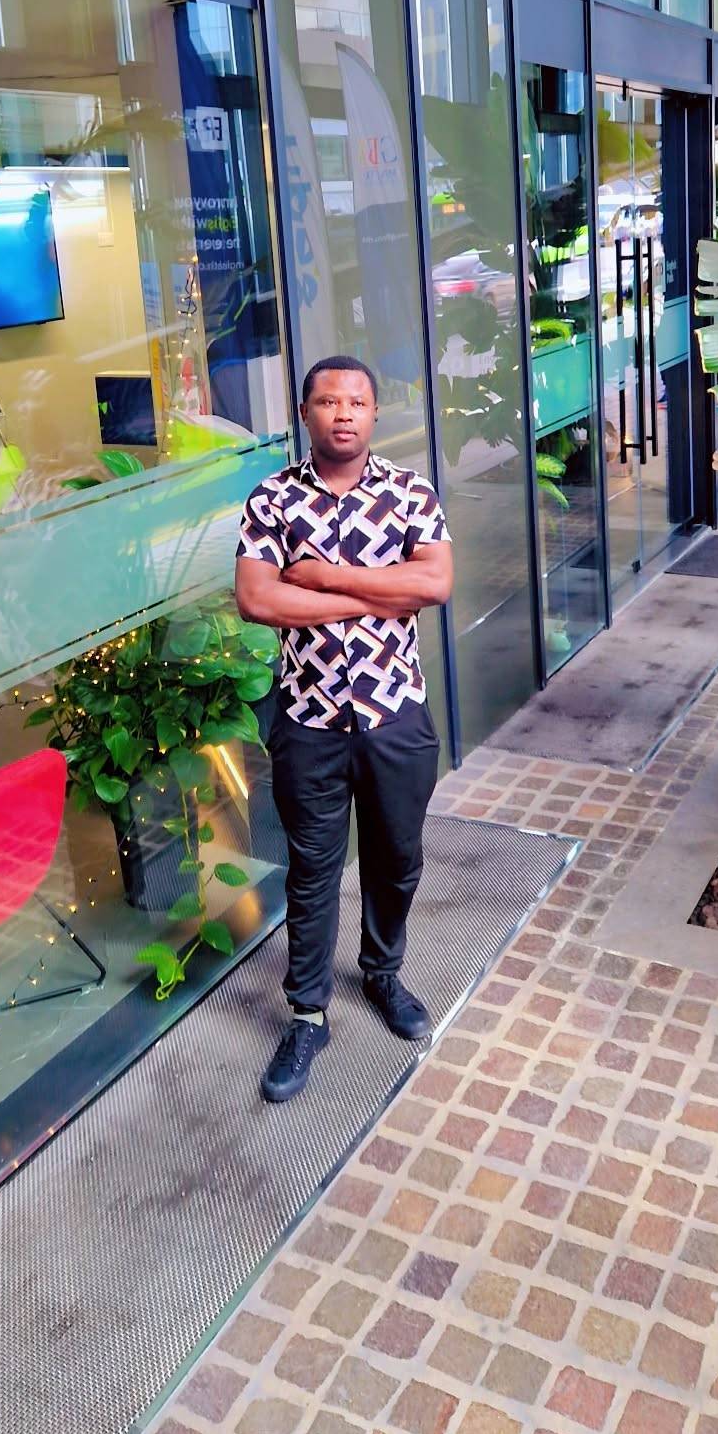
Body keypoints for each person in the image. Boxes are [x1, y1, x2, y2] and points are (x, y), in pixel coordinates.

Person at [235, 356, 453, 1103]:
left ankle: (382, 974)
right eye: (328, 401)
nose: (343, 414)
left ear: (374, 413)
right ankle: (307, 1016)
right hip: (309, 720)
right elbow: (259, 600)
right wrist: (382, 594)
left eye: (357, 402)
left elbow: (434, 582)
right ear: (305, 413)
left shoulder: (410, 493)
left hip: (396, 715)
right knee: (313, 870)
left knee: (396, 859)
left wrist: (325, 578)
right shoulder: (272, 499)